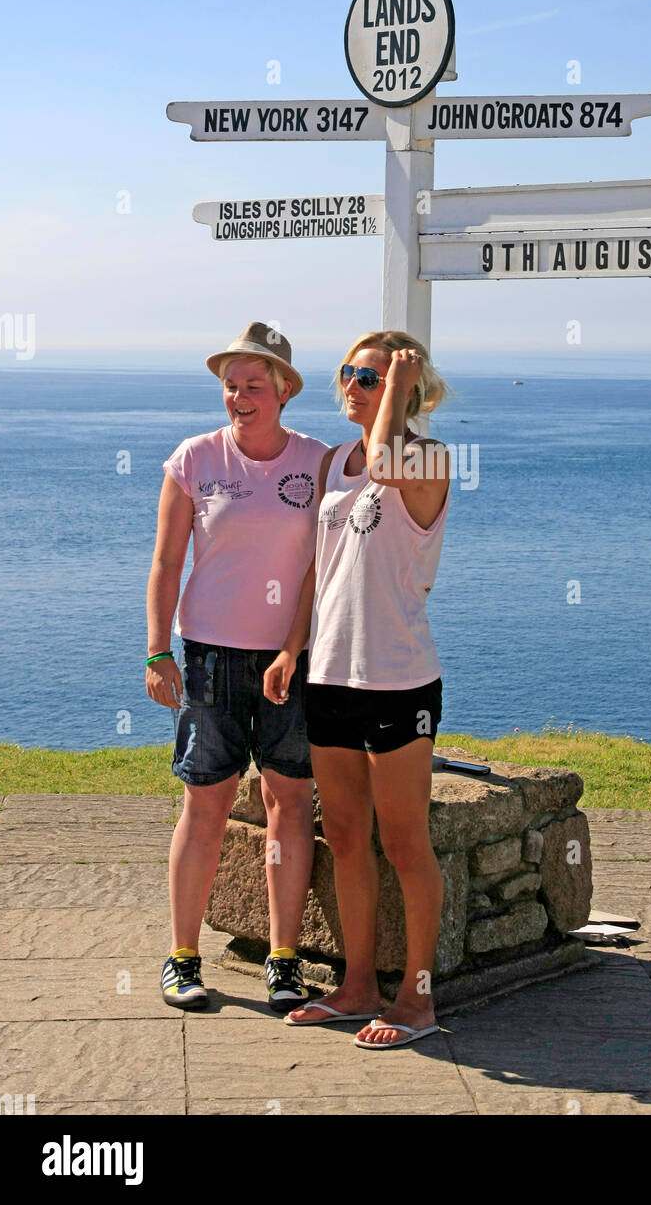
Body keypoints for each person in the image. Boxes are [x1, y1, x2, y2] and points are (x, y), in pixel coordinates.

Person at [263, 330, 451, 1048]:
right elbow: (322, 564)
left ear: (407, 387)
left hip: (398, 678)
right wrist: (292, 649)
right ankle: (359, 984)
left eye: (367, 377)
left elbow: (385, 458)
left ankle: (418, 1000)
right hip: (331, 675)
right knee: (344, 836)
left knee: (405, 843)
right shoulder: (339, 464)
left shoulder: (427, 459)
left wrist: (399, 393)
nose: (349, 384)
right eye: (346, 372)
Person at [146, 321, 328, 1011]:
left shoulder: (317, 461)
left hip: (293, 658)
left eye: (255, 384)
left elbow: (325, 563)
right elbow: (166, 562)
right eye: (231, 384)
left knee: (288, 803)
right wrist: (158, 649)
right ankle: (183, 957)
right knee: (206, 804)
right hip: (210, 657)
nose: (240, 395)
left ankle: (285, 960)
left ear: (284, 389)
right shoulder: (194, 459)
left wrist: (294, 646)